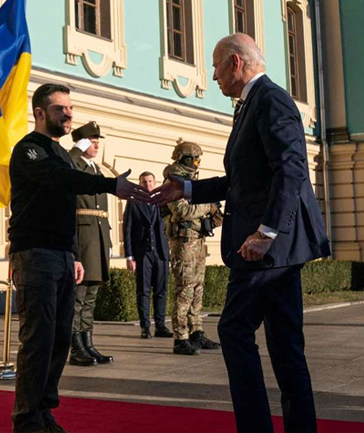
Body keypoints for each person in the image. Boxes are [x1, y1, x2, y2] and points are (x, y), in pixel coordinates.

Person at [150, 33, 331, 432]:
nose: (212, 75)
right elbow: (243, 181)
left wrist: (267, 231)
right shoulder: (251, 105)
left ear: (235, 62)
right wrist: (189, 188)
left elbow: (291, 169)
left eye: (215, 66)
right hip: (272, 248)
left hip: (264, 248)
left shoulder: (270, 100)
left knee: (234, 330)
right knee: (285, 348)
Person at [9, 83, 148, 433]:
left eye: (70, 108)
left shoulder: (59, 153)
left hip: (59, 255)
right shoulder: (29, 150)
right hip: (35, 255)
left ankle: (44, 412)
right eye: (60, 109)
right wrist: (108, 184)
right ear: (40, 113)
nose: (69, 114)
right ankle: (27, 420)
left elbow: (65, 210)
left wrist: (73, 254)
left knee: (58, 340)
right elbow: (57, 179)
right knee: (38, 340)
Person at [162, 140, 223, 356]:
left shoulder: (191, 180)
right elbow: (182, 212)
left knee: (198, 287)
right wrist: (209, 204)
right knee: (185, 288)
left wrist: (214, 214)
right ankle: (181, 337)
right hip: (183, 242)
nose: (197, 163)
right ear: (184, 159)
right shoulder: (173, 181)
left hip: (198, 239)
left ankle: (196, 331)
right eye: (195, 159)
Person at [67, 121, 114, 366]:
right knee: (79, 295)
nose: (96, 145)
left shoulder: (95, 169)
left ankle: (88, 344)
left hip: (97, 239)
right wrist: (76, 149)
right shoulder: (73, 163)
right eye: (92, 141)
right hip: (82, 239)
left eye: (97, 142)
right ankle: (76, 349)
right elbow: (63, 165)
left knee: (91, 296)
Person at [123, 171, 173, 339]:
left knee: (161, 290)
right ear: (140, 184)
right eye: (144, 182)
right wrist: (129, 256)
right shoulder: (133, 203)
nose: (148, 185)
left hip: (161, 252)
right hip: (142, 253)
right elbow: (127, 230)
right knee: (143, 291)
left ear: (155, 182)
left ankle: (160, 326)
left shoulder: (163, 202)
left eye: (150, 181)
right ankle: (145, 327)